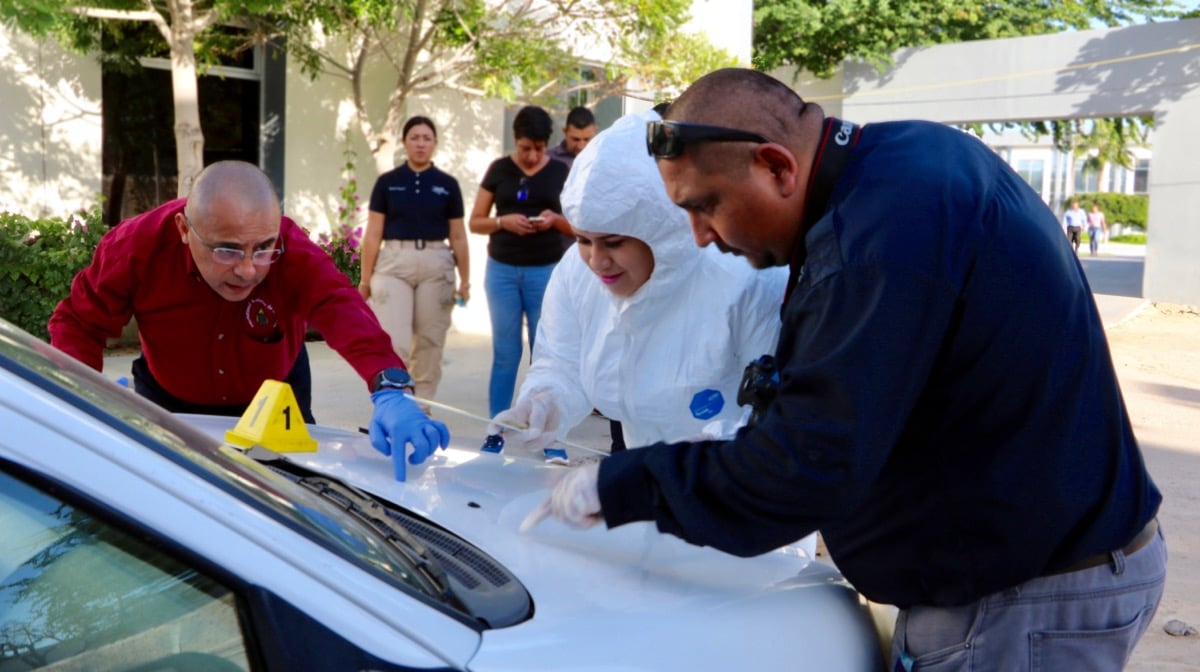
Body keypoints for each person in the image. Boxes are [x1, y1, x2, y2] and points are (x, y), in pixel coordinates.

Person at [524, 68, 1164, 672]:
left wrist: (622, 485)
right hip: (1018, 566)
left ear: (776, 166)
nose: (699, 236)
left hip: (1020, 596)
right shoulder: (904, 166)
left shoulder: (877, 244)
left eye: (706, 206)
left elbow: (802, 468)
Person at [49, 160, 450, 481]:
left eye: (262, 249)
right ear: (184, 230)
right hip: (169, 399)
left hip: (276, 397)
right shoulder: (137, 246)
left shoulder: (291, 247)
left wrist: (390, 387)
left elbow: (339, 305)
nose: (247, 269)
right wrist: (81, 391)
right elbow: (79, 323)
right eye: (227, 250)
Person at [488, 109, 787, 451]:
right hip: (640, 464)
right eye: (584, 239)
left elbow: (776, 419)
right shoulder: (577, 272)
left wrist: (692, 465)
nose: (597, 261)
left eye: (615, 242)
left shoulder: (745, 279)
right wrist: (543, 402)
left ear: (663, 234)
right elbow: (563, 362)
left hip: (728, 483)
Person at [468, 105, 571, 417]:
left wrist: (554, 220)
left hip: (545, 271)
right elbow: (475, 222)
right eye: (526, 148)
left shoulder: (559, 172)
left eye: (539, 149)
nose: (531, 156)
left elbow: (578, 226)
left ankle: (548, 430)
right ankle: (496, 426)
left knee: (546, 353)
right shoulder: (499, 170)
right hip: (503, 272)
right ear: (515, 139)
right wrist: (503, 222)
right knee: (506, 352)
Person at [359, 116, 469, 402]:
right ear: (405, 143)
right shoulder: (387, 183)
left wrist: (466, 280)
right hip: (394, 263)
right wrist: (364, 279)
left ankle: (422, 408)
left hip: (436, 262)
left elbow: (458, 236)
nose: (420, 144)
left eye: (426, 138)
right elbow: (373, 234)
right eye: (414, 138)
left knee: (429, 343)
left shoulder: (447, 185)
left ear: (434, 143)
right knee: (394, 343)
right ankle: (393, 405)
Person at [546, 105, 599, 170]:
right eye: (576, 139)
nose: (580, 146)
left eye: (587, 139)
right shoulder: (547, 159)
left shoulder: (605, 159)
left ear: (596, 132)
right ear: (565, 132)